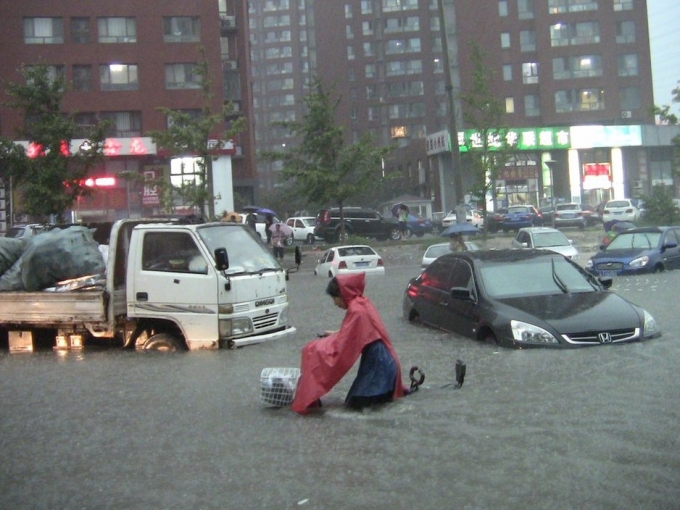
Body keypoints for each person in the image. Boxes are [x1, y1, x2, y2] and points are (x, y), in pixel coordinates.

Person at [291, 273, 406, 414]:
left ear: (343, 294)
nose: (335, 303)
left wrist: (316, 349)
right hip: (383, 362)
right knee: (363, 405)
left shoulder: (356, 310)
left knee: (356, 407)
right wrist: (334, 333)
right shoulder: (362, 303)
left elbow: (342, 346)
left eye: (335, 298)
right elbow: (357, 332)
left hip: (378, 365)